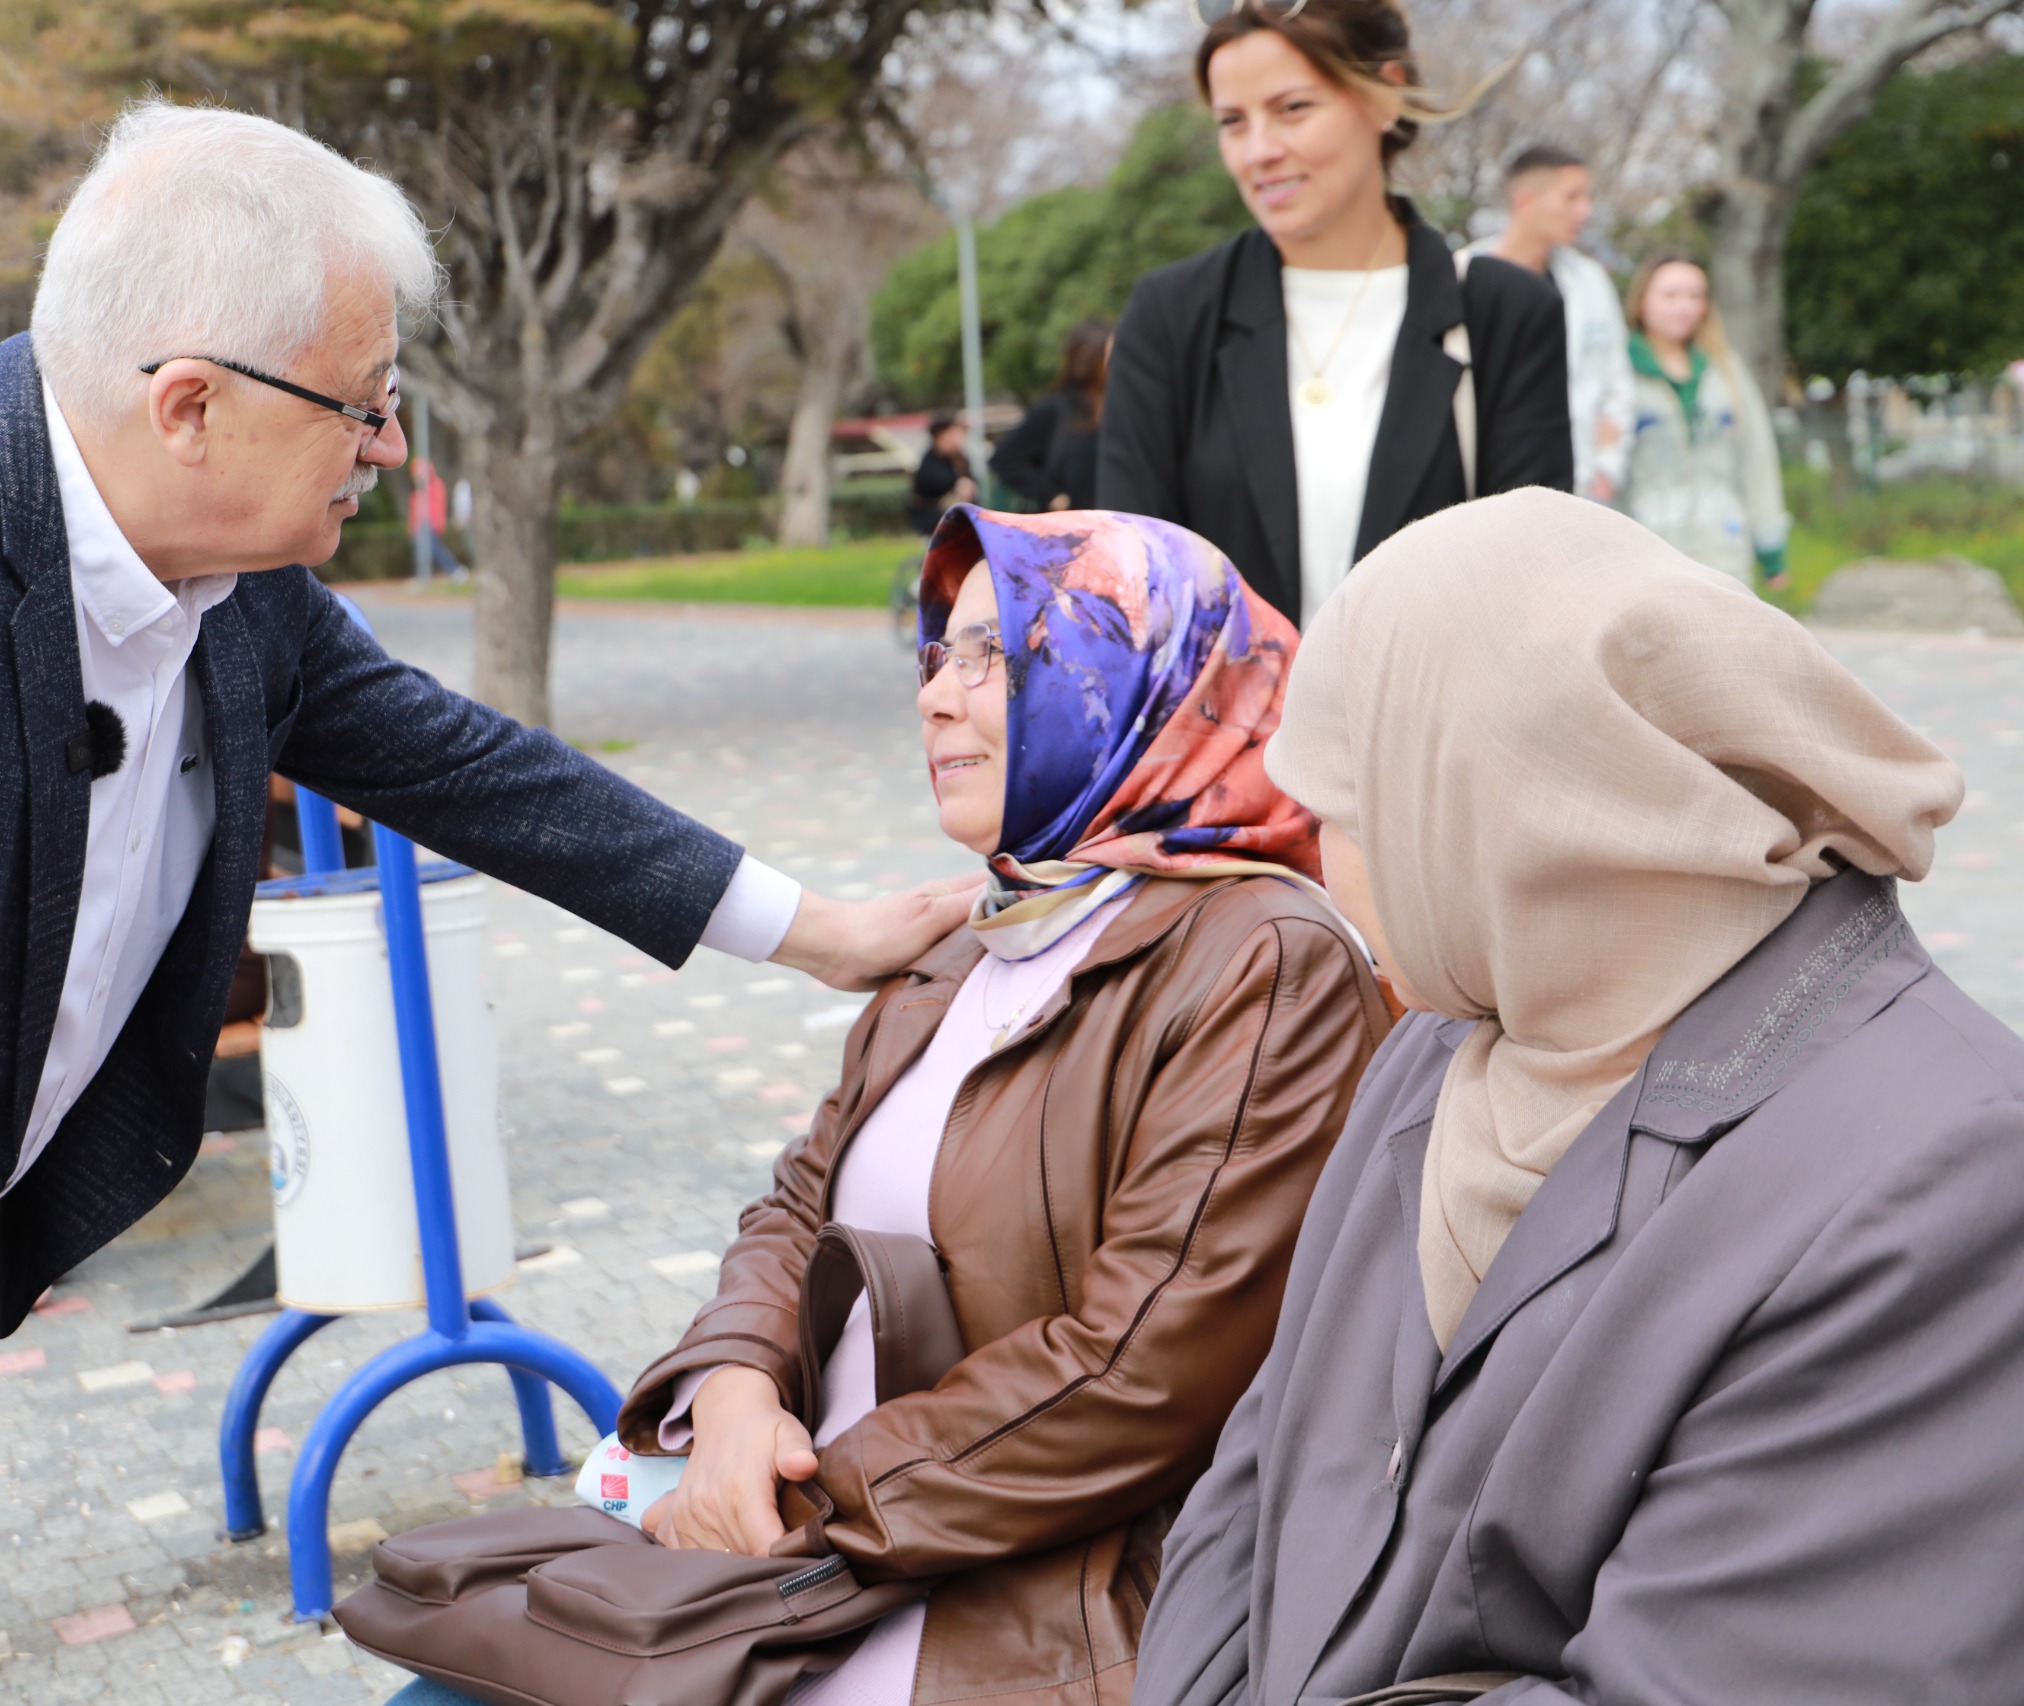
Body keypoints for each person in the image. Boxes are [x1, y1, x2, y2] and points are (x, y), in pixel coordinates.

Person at [0, 103, 973, 1706]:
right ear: (189, 402)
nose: (391, 447)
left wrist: (823, 930)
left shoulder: (228, 581)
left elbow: (474, 770)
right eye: (366, 405)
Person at [381, 507, 1390, 1706]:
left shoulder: (1263, 957)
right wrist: (736, 1393)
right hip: (808, 1559)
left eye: (993, 657)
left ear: (1137, 679)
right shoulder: (981, 930)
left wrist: (793, 1493)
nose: (934, 697)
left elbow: (1141, 1370)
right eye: (932, 656)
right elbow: (794, 1204)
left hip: (1028, 1599)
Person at [1129, 488, 2024, 1706]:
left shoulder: (1944, 1171)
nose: (1324, 862)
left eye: (1344, 809)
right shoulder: (1439, 1050)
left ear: (1500, 811)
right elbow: (1254, 1478)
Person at [1097, 0, 1572, 626]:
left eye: (1293, 108)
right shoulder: (1173, 315)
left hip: (1438, 722)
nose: (1259, 150)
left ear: (1383, 96)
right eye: (1233, 121)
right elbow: (1134, 586)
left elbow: (1533, 583)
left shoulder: (1503, 312)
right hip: (1235, 724)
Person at [1460, 143, 1636, 503]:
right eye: (1571, 198)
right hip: (1483, 492)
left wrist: (1607, 468)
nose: (1584, 211)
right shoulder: (1463, 278)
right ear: (1525, 202)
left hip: (1580, 489)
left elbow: (1616, 382)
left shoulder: (1588, 281)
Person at [1619, 253, 1789, 588]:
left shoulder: (1723, 370)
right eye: (1670, 295)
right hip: (1645, 552)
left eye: (1695, 295)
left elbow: (1756, 456)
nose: (1683, 306)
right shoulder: (1618, 373)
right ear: (1642, 301)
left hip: (1722, 552)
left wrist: (1771, 548)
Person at [990, 319, 1112, 511]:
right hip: (1067, 532)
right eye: (1109, 354)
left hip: (1118, 528)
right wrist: (1050, 494)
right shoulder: (1056, 408)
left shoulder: (1121, 408)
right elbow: (1005, 459)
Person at [905, 411, 976, 536]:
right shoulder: (929, 464)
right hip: (935, 527)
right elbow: (943, 483)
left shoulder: (960, 459)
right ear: (942, 435)